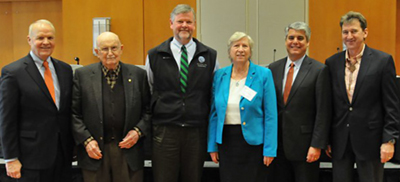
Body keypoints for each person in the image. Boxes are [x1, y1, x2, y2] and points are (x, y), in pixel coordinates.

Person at [144, 4, 218, 182]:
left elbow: (213, 92)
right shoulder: (154, 55)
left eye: (189, 22)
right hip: (165, 130)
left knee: (193, 177)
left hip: (196, 131)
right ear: (171, 23)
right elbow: (149, 88)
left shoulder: (209, 55)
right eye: (180, 21)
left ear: (194, 25)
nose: (184, 25)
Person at [325, 11, 400, 182]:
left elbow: (391, 105)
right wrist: (327, 138)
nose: (349, 36)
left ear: (365, 33)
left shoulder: (382, 61)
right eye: (345, 32)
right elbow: (329, 105)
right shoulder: (332, 63)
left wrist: (389, 140)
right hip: (340, 140)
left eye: (354, 31)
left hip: (371, 140)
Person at [71, 32, 151, 182]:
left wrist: (138, 132)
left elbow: (149, 111)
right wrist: (87, 141)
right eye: (104, 49)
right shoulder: (82, 75)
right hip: (94, 151)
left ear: (121, 49)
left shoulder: (138, 75)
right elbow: (74, 114)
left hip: (129, 152)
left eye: (114, 48)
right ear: (96, 52)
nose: (110, 53)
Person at [0, 19, 73, 182]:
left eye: (50, 38)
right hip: (30, 159)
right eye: (40, 38)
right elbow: (6, 119)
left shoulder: (65, 70)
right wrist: (10, 158)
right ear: (29, 40)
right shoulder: (13, 72)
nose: (46, 42)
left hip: (62, 156)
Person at [207, 31, 277, 182]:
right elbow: (214, 114)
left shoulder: (264, 74)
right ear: (229, 51)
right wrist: (212, 146)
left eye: (245, 46)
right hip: (226, 142)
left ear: (250, 51)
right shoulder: (220, 75)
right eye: (236, 46)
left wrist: (270, 149)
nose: (240, 49)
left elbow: (271, 115)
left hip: (254, 143)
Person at [267, 22, 332, 182]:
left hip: (305, 147)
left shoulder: (319, 70)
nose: (295, 41)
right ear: (285, 41)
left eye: (300, 38)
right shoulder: (272, 68)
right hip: (277, 146)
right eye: (291, 37)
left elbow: (323, 111)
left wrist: (317, 145)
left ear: (308, 42)